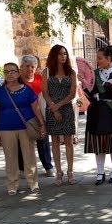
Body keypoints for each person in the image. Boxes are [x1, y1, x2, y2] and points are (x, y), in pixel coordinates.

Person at [0, 62, 46, 195]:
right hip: (5, 128)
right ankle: (12, 184)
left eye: (12, 71)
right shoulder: (0, 91)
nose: (10, 74)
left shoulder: (27, 89)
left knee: (29, 156)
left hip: (25, 128)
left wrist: (42, 124)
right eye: (6, 71)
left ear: (18, 73)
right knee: (10, 158)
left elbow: (36, 108)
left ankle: (33, 183)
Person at [80, 45, 112, 185]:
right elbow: (90, 93)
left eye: (100, 58)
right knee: (99, 143)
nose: (97, 61)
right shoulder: (94, 74)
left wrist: (102, 94)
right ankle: (100, 172)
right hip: (96, 112)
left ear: (109, 58)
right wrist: (84, 83)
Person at [42, 45, 77, 186]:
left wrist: (59, 105)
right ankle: (58, 172)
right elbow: (45, 92)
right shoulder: (47, 72)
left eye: (65, 54)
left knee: (68, 141)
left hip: (66, 108)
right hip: (51, 109)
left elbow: (73, 93)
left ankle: (70, 171)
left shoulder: (71, 72)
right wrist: (53, 108)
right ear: (54, 56)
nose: (63, 56)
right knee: (55, 141)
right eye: (60, 54)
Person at [18, 55, 55, 178]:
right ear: (21, 68)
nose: (30, 69)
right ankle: (22, 169)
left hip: (40, 115)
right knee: (22, 143)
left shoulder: (40, 79)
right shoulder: (17, 81)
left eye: (32, 66)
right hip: (21, 117)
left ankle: (48, 166)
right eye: (27, 66)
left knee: (43, 142)